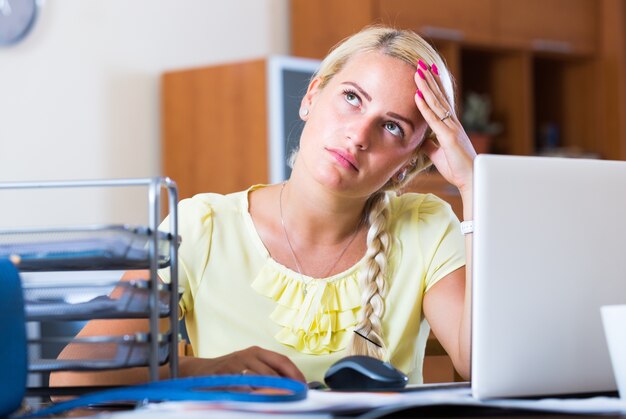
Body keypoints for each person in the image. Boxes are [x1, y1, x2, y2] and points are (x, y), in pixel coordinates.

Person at [51, 25, 475, 387]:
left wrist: (472, 182)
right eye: (351, 98)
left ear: (407, 166)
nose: (359, 134)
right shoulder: (200, 227)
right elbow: (74, 373)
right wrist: (206, 370)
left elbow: (478, 363)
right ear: (311, 96)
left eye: (392, 126)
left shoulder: (427, 227)